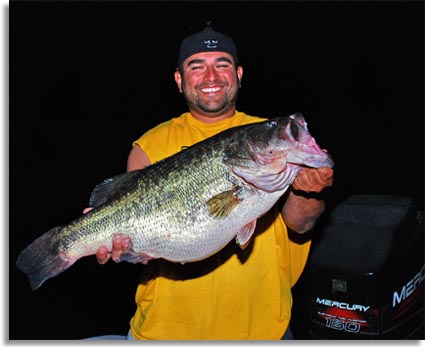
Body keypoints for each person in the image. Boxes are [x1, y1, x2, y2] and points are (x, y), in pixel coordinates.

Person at [88, 25, 334, 340]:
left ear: (239, 74)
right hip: (166, 331)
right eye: (197, 66)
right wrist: (122, 245)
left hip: (260, 331)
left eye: (222, 64)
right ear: (179, 80)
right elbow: (142, 235)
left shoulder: (269, 138)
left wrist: (307, 190)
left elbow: (300, 224)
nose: (211, 76)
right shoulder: (148, 145)